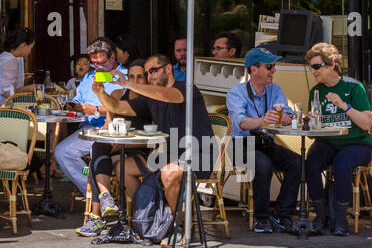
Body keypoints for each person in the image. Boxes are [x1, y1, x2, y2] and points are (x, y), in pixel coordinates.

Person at [109, 54, 214, 217]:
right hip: (168, 156)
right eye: (147, 73)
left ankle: (176, 227)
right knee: (124, 167)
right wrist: (99, 92)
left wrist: (127, 83)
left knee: (169, 173)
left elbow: (168, 95)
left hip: (200, 156)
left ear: (168, 69)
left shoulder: (186, 88)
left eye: (153, 71)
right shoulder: (151, 97)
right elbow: (117, 106)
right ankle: (149, 216)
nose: (149, 77)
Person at [225, 46, 301, 233]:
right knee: (264, 164)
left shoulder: (275, 89)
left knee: (297, 162)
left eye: (273, 66)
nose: (274, 70)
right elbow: (240, 122)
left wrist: (286, 118)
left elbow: (289, 114)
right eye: (269, 66)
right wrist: (263, 121)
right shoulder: (236, 92)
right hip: (240, 144)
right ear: (253, 69)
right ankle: (261, 217)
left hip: (265, 142)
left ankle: (282, 214)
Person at [302, 42, 372, 236]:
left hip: (356, 142)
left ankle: (341, 219)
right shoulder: (316, 91)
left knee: (342, 165)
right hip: (328, 141)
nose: (313, 71)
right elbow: (313, 132)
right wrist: (309, 123)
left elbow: (367, 124)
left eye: (317, 66)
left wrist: (344, 106)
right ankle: (321, 215)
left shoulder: (353, 87)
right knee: (311, 163)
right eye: (311, 67)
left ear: (332, 64)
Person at [55, 38, 126, 234]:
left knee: (97, 155)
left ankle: (100, 201)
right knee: (61, 152)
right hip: (86, 129)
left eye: (102, 62)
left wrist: (95, 109)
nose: (97, 67)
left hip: (112, 131)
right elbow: (79, 100)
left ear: (112, 57)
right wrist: (75, 106)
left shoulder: (121, 77)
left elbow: (120, 107)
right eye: (94, 63)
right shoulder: (90, 77)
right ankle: (97, 194)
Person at [0, 27, 35, 103]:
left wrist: (20, 77)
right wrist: (29, 88)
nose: (30, 51)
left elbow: (2, 79)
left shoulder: (4, 56)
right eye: (30, 48)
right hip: (4, 109)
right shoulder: (11, 61)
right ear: (23, 45)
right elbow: (8, 94)